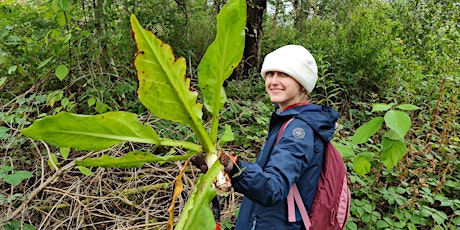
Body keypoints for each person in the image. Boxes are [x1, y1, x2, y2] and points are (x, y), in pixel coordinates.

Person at [193, 44, 340, 229]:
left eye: (284, 74)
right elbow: (267, 177)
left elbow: (273, 188)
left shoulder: (299, 131)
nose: (274, 81)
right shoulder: (287, 121)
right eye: (270, 74)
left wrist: (235, 169)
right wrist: (225, 172)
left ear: (302, 83)